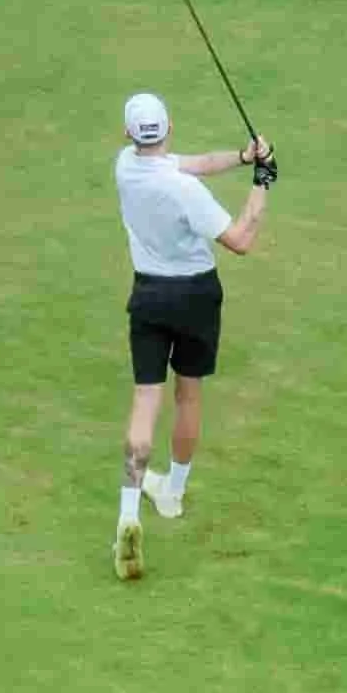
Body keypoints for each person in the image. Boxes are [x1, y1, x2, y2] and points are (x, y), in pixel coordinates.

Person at [107, 89, 267, 579]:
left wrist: (241, 158)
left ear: (129, 135)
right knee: (189, 396)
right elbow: (240, 239)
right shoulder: (184, 191)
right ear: (170, 127)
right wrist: (263, 181)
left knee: (144, 402)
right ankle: (173, 494)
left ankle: (129, 515)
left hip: (150, 296)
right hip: (197, 296)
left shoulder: (124, 166)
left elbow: (192, 164)